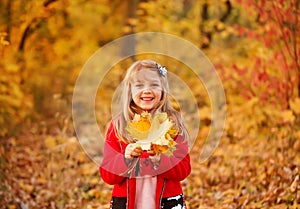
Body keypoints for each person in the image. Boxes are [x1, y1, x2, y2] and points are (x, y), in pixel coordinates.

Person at [99, 59, 191, 209]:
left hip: (167, 202)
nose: (147, 90)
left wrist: (160, 159)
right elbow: (107, 175)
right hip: (128, 203)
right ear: (130, 91)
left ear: (163, 90)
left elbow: (183, 170)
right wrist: (125, 159)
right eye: (139, 85)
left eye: (154, 85)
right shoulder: (119, 125)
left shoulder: (172, 123)